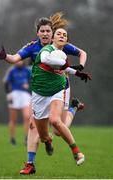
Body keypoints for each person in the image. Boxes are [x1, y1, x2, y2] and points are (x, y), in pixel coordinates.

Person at [0, 12, 90, 174]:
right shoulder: (32, 47)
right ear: (38, 33)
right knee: (40, 130)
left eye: (48, 31)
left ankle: (73, 114)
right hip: (39, 91)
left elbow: (81, 53)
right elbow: (15, 58)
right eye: (42, 31)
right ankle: (36, 155)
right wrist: (4, 57)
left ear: (52, 33)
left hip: (60, 88)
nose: (45, 34)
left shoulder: (60, 44)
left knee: (57, 126)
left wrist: (80, 67)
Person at [29, 27, 91, 173]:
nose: (62, 36)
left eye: (64, 35)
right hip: (40, 92)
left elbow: (73, 60)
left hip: (59, 89)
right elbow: (46, 60)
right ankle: (72, 110)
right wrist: (68, 67)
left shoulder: (63, 53)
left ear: (66, 39)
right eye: (59, 34)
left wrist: (78, 72)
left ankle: (77, 152)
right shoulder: (46, 50)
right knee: (45, 135)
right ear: (53, 38)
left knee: (55, 121)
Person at [3, 61, 32, 145]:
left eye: (20, 60)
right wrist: (8, 94)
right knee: (13, 119)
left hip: (25, 95)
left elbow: (32, 82)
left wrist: (28, 86)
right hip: (14, 94)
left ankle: (27, 138)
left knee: (27, 117)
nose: (18, 62)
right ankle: (12, 139)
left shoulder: (27, 70)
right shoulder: (12, 70)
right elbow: (6, 82)